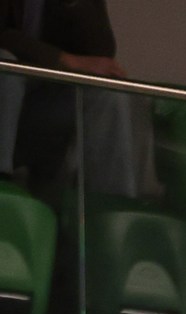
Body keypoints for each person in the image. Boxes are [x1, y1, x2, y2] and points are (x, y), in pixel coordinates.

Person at [0, 0, 136, 195]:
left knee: (106, 92)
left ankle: (111, 203)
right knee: (6, 63)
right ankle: (3, 190)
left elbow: (101, 53)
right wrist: (63, 59)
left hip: (37, 113)